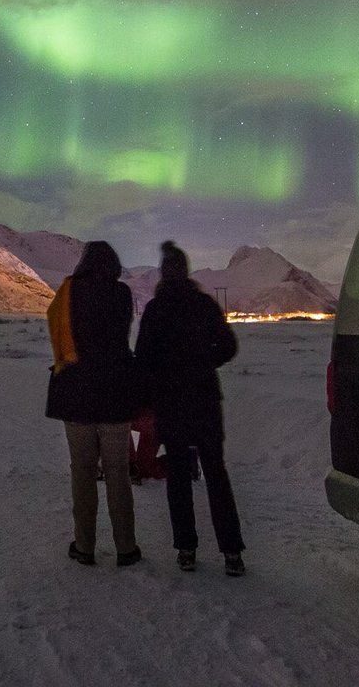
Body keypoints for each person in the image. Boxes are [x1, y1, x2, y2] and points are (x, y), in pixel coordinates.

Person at [135, 240, 246, 576]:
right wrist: (204, 363)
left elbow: (143, 358)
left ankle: (186, 549)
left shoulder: (156, 309)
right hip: (206, 402)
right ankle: (232, 553)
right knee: (216, 474)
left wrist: (155, 387)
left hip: (171, 405)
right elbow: (228, 345)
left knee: (179, 477)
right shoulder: (203, 304)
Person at [45, 240, 142, 567]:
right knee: (118, 473)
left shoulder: (68, 294)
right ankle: (126, 548)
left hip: (76, 394)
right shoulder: (122, 294)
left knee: (83, 473)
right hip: (115, 393)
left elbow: (59, 333)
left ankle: (84, 546)